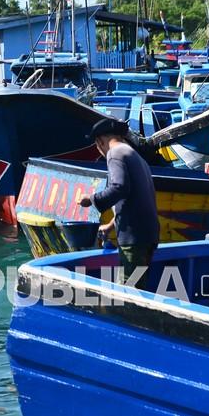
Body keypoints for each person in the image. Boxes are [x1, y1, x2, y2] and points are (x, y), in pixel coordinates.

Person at [78, 118, 159, 289]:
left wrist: (91, 199)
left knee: (128, 294)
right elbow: (134, 199)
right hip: (147, 234)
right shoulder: (134, 155)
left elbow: (119, 187)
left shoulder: (115, 154)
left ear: (100, 141)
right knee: (138, 288)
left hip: (134, 239)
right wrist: (110, 225)